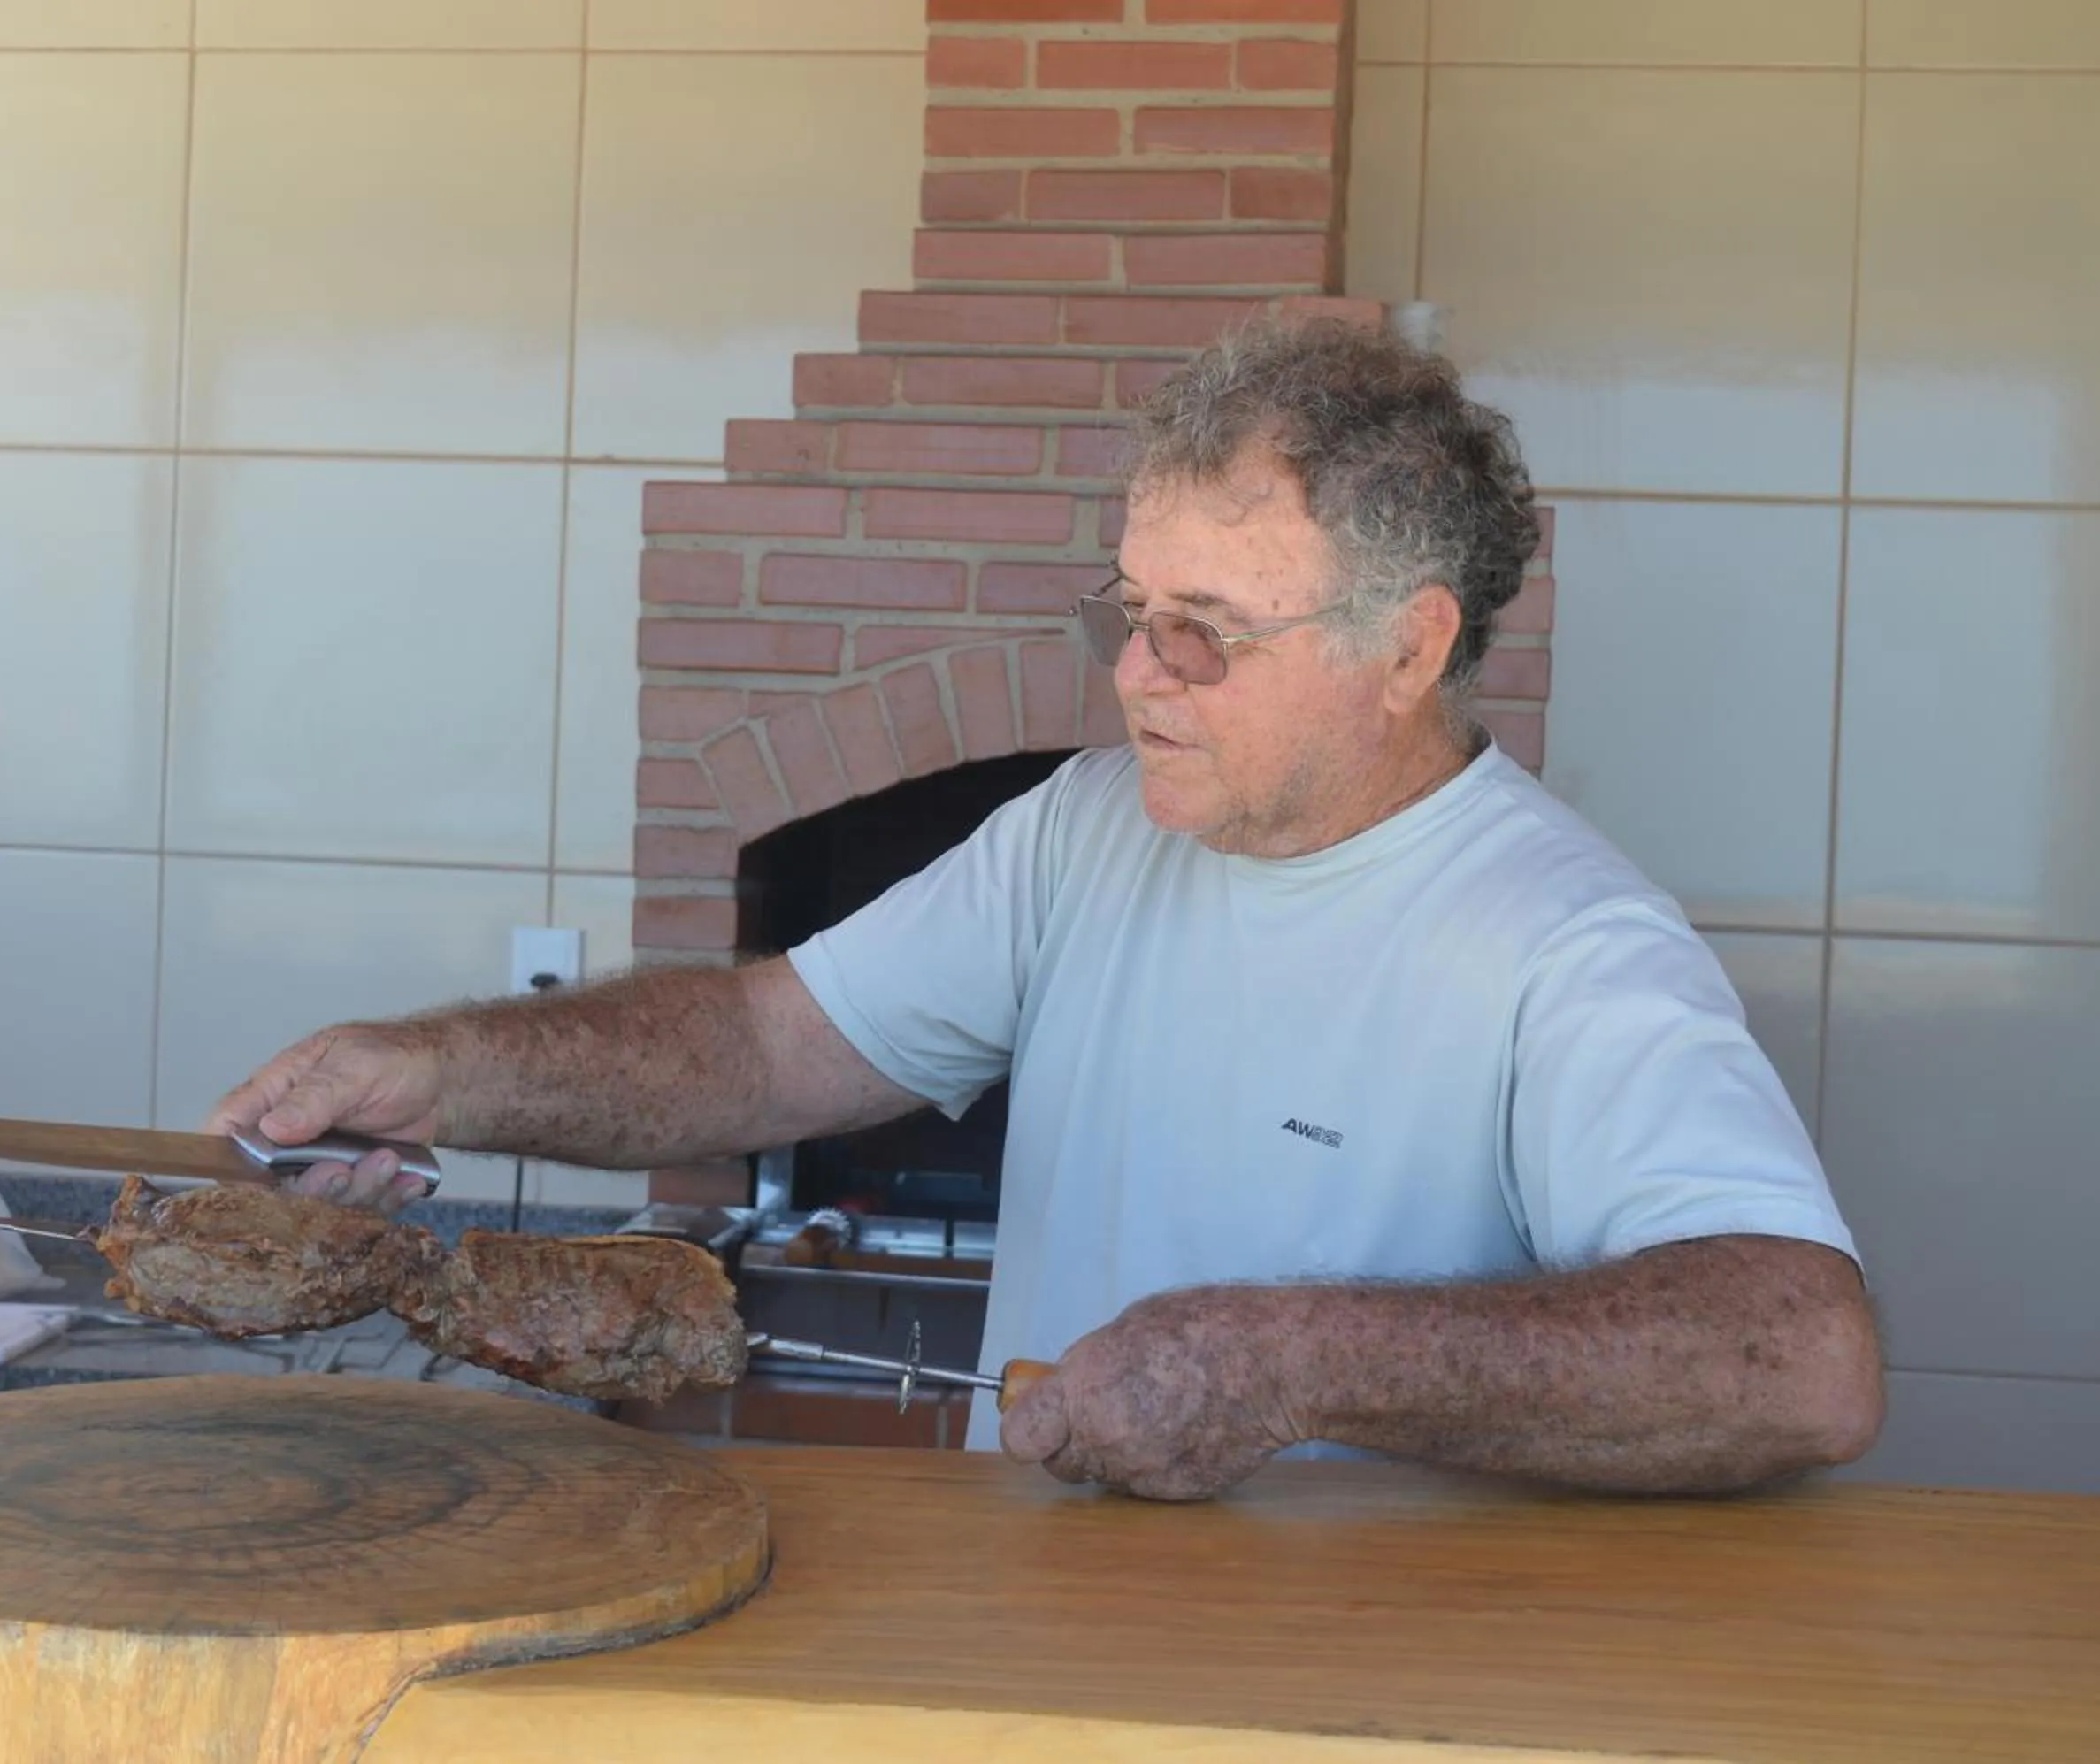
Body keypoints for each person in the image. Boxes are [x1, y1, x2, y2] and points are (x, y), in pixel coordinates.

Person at [208, 318, 1885, 1503]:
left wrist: (1297, 1362)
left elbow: (1797, 1354)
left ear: (1408, 646)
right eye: (1127, 608)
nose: (1136, 675)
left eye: (1205, 631)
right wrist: (443, 1069)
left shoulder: (1564, 942)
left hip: (1379, 1695)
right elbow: (765, 1045)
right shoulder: (1089, 831)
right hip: (1039, 1635)